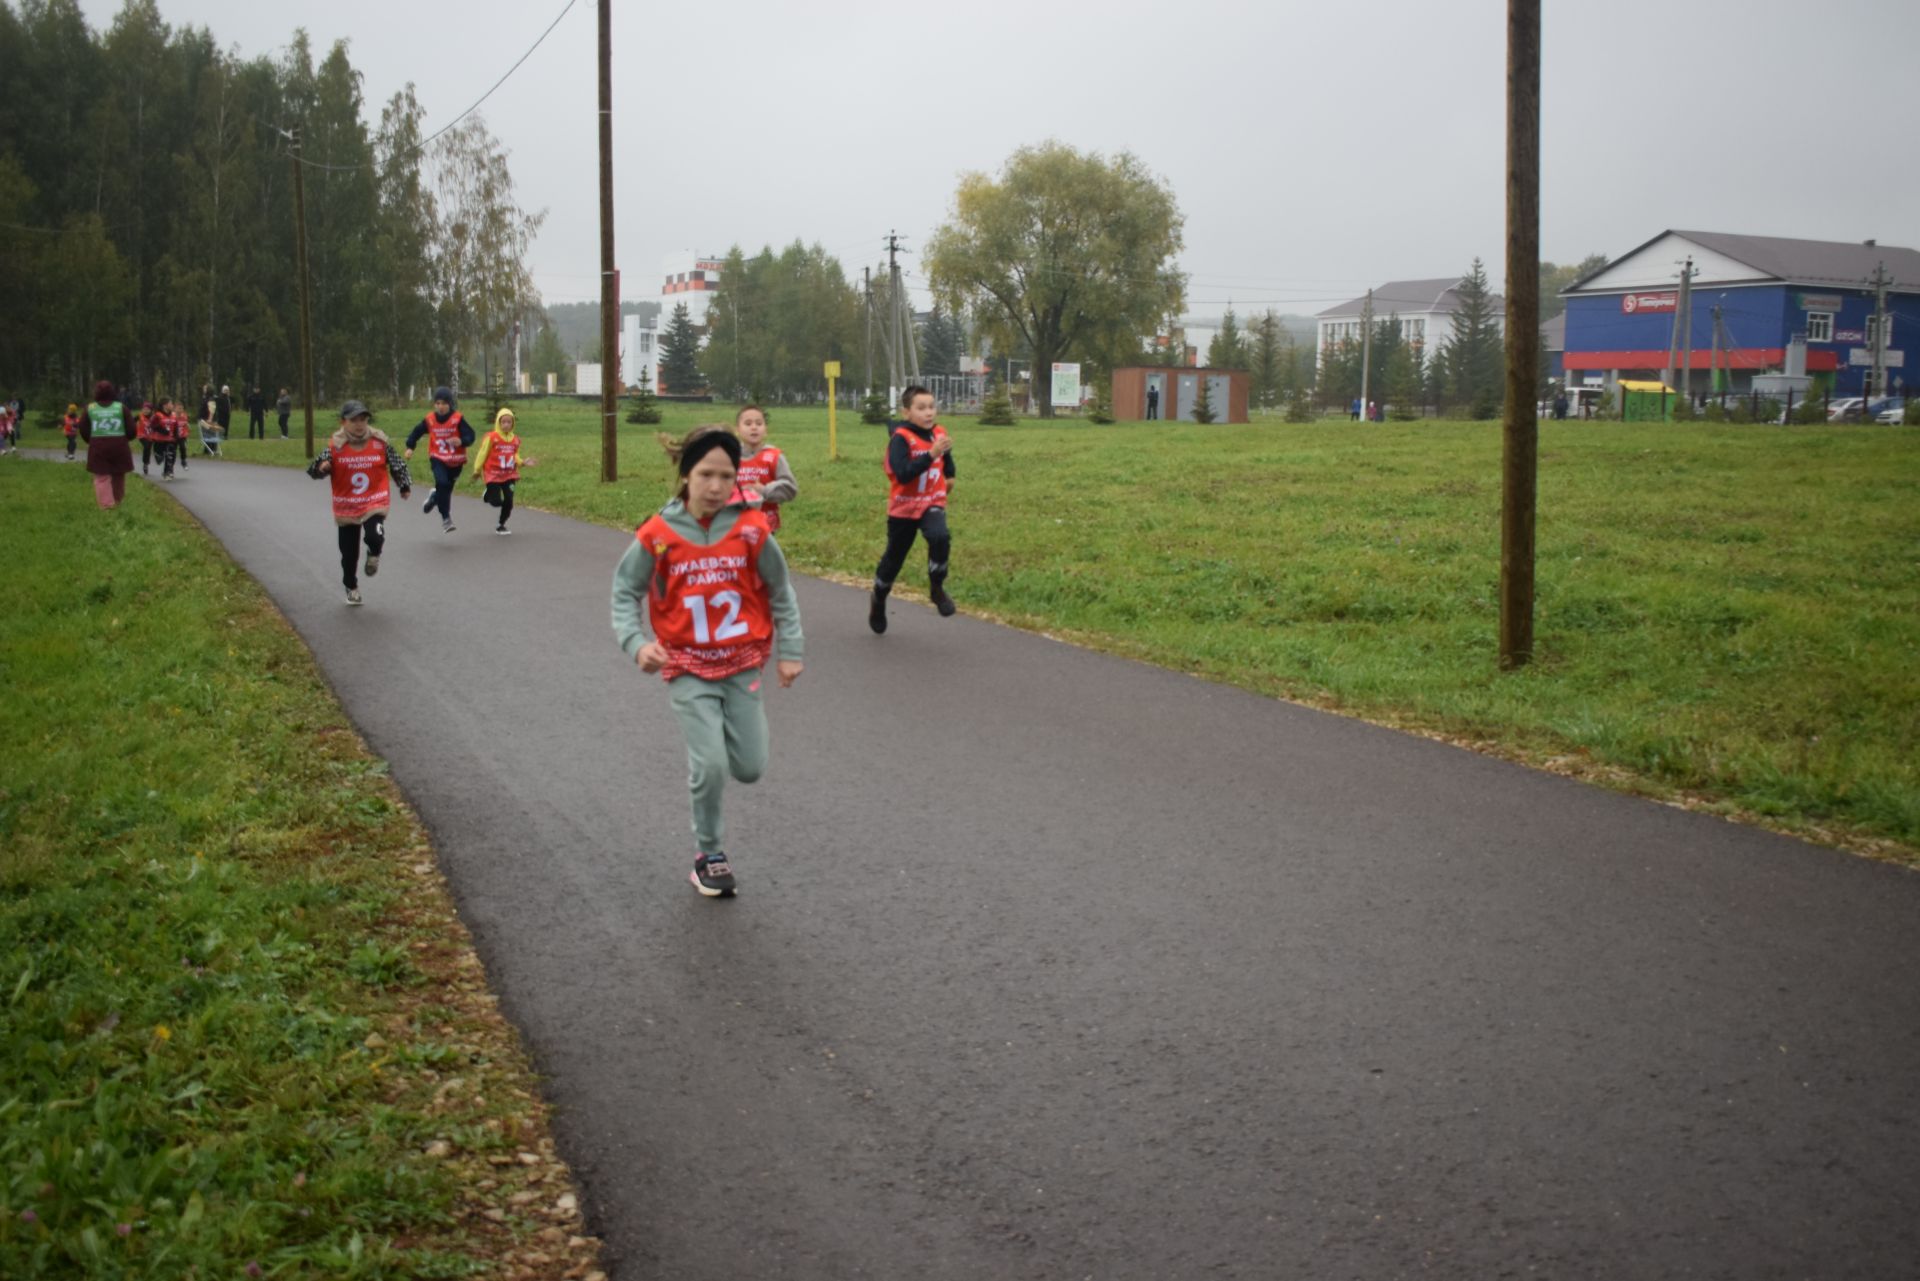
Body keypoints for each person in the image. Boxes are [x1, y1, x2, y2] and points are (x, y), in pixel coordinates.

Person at [611, 426, 804, 897]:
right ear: (685, 474)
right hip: (686, 667)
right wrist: (637, 643)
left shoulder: (752, 530)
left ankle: (718, 774)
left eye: (726, 475)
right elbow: (624, 593)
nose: (717, 486)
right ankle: (709, 855)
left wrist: (791, 652)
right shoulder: (658, 535)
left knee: (749, 767)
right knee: (711, 765)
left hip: (742, 665)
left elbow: (781, 591)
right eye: (705, 474)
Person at [868, 385, 957, 634]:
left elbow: (948, 464)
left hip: (932, 501)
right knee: (893, 560)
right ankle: (879, 599)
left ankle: (936, 588)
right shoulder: (900, 439)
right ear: (907, 412)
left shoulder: (939, 433)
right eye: (921, 408)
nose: (928, 413)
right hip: (904, 507)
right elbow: (903, 473)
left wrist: (949, 476)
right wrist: (930, 455)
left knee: (940, 536)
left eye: (931, 407)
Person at [306, 400, 412, 607]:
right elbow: (313, 470)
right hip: (347, 505)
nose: (359, 424)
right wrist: (322, 468)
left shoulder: (379, 441)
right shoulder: (335, 445)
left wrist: (404, 485)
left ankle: (374, 553)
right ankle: (351, 585)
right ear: (343, 422)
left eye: (363, 419)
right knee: (349, 553)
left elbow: (397, 464)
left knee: (375, 535)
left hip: (374, 500)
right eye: (353, 420)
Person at [405, 386, 475, 533]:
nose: (440, 407)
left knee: (446, 489)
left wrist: (461, 441)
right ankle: (446, 519)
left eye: (444, 403)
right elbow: (416, 431)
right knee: (442, 483)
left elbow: (471, 436)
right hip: (437, 458)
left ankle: (434, 497)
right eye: (437, 403)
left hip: (456, 460)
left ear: (450, 404)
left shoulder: (458, 419)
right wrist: (410, 447)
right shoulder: (430, 420)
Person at [469, 406, 537, 534]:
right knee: (496, 502)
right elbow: (482, 453)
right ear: (498, 423)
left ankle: (501, 524)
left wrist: (522, 462)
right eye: (503, 422)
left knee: (509, 501)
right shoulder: (492, 437)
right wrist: (477, 470)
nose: (506, 425)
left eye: (509, 422)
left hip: (509, 474)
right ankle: (489, 494)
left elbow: (514, 455)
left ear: (513, 423)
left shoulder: (515, 439)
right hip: (493, 474)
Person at [729, 403, 797, 531]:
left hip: (766, 524)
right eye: (748, 424)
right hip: (735, 522)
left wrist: (764, 490)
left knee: (763, 551)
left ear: (766, 429)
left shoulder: (774, 456)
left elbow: (790, 488)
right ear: (737, 429)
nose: (754, 427)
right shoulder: (730, 457)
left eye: (759, 424)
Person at [78, 380, 135, 509]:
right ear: (112, 392)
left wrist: (91, 440)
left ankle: (107, 506)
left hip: (98, 446)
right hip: (119, 445)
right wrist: (126, 439)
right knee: (118, 475)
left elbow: (83, 428)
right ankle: (118, 501)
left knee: (101, 477)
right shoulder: (121, 407)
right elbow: (132, 429)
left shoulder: (90, 408)